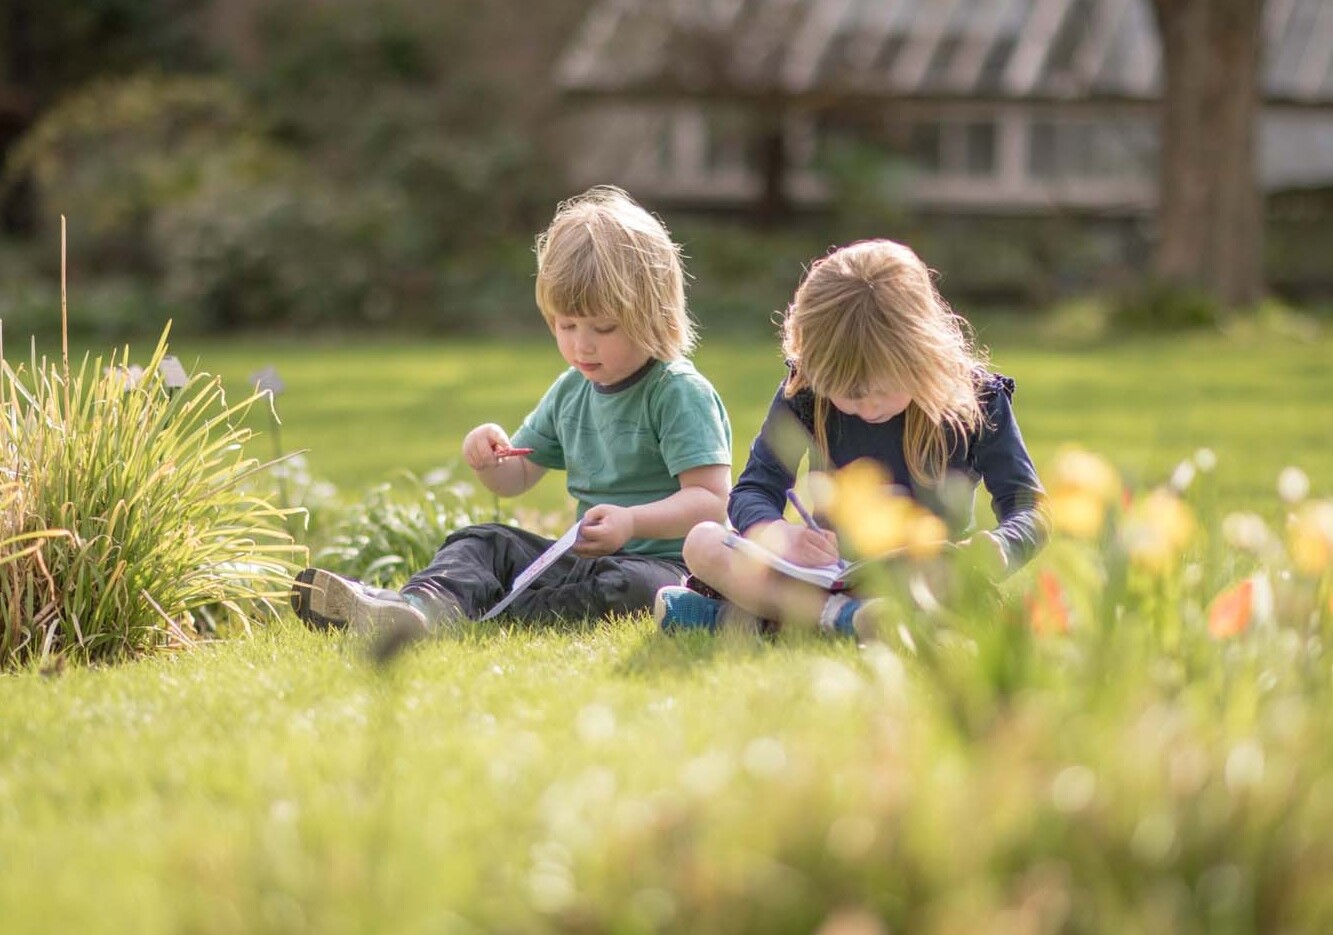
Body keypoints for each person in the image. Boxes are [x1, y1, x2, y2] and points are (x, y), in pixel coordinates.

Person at [291, 186, 732, 635]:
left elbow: (710, 502)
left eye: (603, 327)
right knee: (484, 542)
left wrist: (632, 521)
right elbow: (517, 477)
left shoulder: (676, 392)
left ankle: (481, 614)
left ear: (653, 316)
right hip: (584, 561)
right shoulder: (572, 390)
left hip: (668, 570)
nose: (582, 344)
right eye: (567, 325)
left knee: (627, 587)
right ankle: (418, 607)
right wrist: (487, 458)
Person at [655, 238, 1046, 640]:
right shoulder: (806, 393)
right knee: (702, 542)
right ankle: (844, 617)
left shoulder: (975, 399)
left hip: (922, 576)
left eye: (882, 389)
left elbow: (1028, 507)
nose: (868, 407)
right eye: (849, 394)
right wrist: (778, 533)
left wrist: (1000, 546)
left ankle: (749, 619)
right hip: (827, 575)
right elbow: (754, 489)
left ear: (922, 353)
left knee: (955, 583)